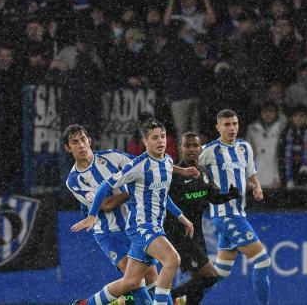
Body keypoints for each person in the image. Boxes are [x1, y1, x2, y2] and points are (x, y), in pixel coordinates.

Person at [71, 119, 199, 305]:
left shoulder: (167, 161)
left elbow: (161, 194)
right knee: (172, 260)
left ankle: (87, 304)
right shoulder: (138, 165)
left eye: (162, 136)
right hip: (139, 226)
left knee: (132, 281)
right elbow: (103, 190)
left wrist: (182, 217)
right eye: (154, 138)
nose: (160, 141)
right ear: (145, 142)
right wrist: (91, 216)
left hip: (150, 225)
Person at [63, 124, 157, 304]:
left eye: (83, 139)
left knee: (152, 277)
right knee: (134, 278)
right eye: (74, 142)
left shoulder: (112, 157)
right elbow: (105, 205)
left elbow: (143, 166)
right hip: (108, 232)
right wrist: (133, 191)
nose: (81, 145)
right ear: (68, 148)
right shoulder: (74, 180)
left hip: (135, 227)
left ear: (89, 141)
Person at [198, 109, 270, 305]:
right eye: (227, 125)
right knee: (263, 261)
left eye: (235, 124)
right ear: (218, 127)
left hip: (239, 213)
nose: (232, 128)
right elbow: (189, 170)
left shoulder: (245, 148)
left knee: (220, 273)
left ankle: (183, 298)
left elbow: (250, 173)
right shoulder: (208, 151)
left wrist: (257, 186)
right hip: (225, 215)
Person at [166, 132, 239, 305]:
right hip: (178, 234)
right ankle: (165, 297)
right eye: (187, 145)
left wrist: (229, 195)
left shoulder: (203, 172)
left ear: (200, 148)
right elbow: (164, 204)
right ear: (181, 148)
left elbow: (213, 197)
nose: (191, 149)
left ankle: (167, 297)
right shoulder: (174, 175)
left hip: (196, 234)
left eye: (195, 145)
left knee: (198, 283)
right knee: (211, 276)